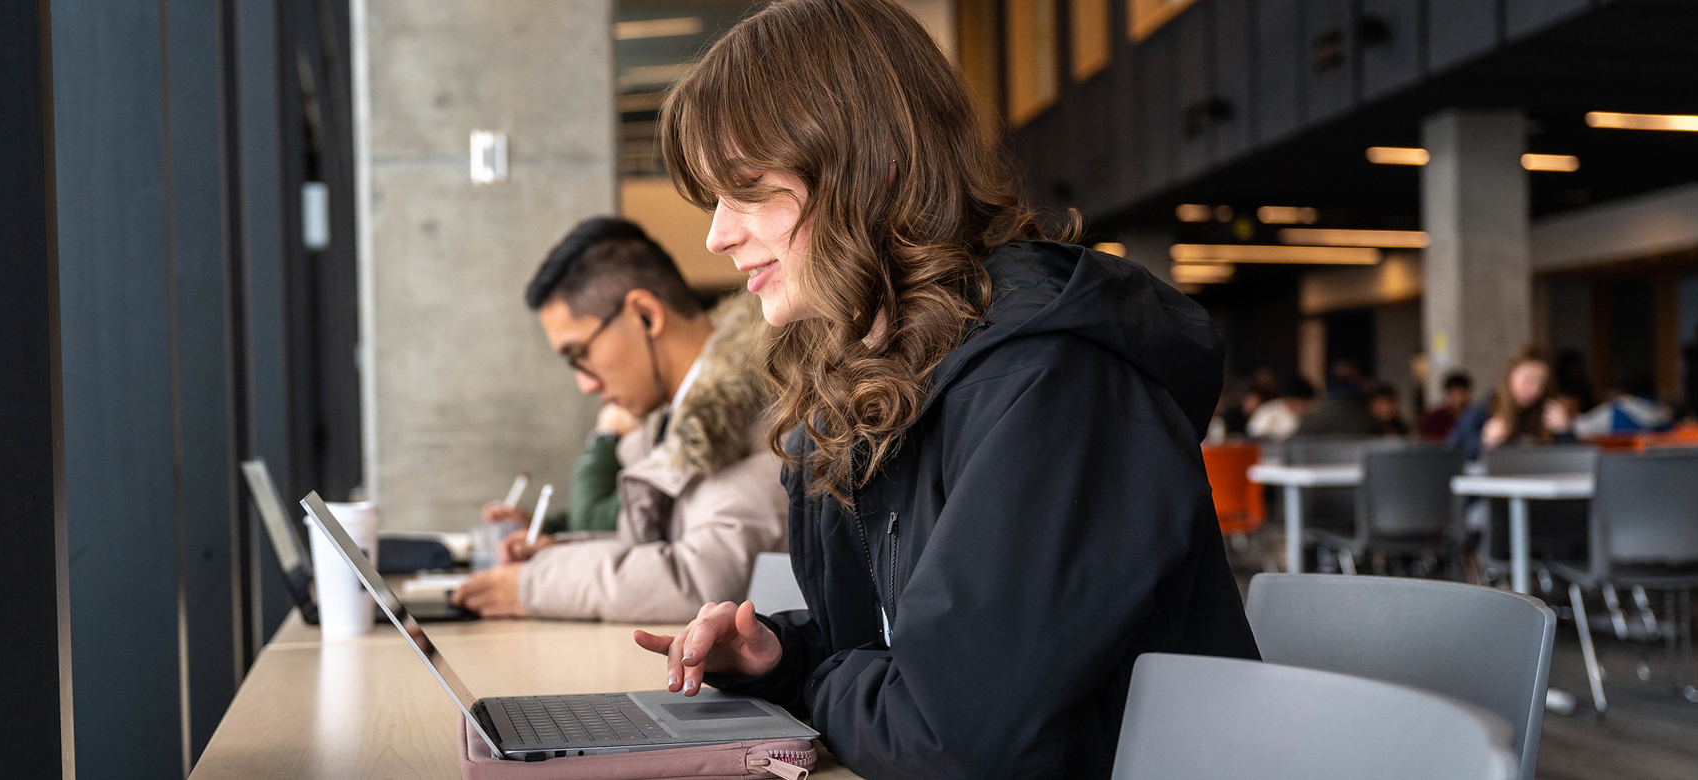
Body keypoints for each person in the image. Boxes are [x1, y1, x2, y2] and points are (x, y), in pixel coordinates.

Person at [628, 3, 1258, 778]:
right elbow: (903, 645)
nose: (717, 235)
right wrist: (781, 659)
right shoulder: (876, 381)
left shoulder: (1048, 383)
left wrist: (816, 686)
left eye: (748, 189)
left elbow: (950, 739)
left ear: (874, 167)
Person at [451, 217, 788, 621]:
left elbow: (703, 580)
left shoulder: (764, 398)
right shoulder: (675, 419)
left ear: (644, 315)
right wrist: (562, 554)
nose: (585, 385)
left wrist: (535, 583)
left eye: (580, 355)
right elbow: (659, 547)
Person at [481, 402, 639, 535]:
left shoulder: (657, 451)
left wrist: (606, 438)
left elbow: (591, 524)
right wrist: (538, 526)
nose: (588, 387)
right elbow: (589, 524)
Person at [1450, 347, 1575, 460]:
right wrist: (1484, 442)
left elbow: (1571, 460)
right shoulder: (1487, 406)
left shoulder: (1547, 411)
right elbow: (1453, 448)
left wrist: (1565, 430)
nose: (1534, 389)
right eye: (1528, 379)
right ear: (1511, 374)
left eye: (1540, 383)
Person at [1246, 376, 1315, 441]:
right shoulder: (1269, 411)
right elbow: (1255, 434)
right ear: (1290, 399)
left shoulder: (1308, 417)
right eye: (1302, 403)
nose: (1304, 408)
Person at [1417, 371, 1471, 441]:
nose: (1458, 399)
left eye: (1461, 393)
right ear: (1447, 394)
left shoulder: (1474, 416)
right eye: (1453, 394)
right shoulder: (1434, 417)